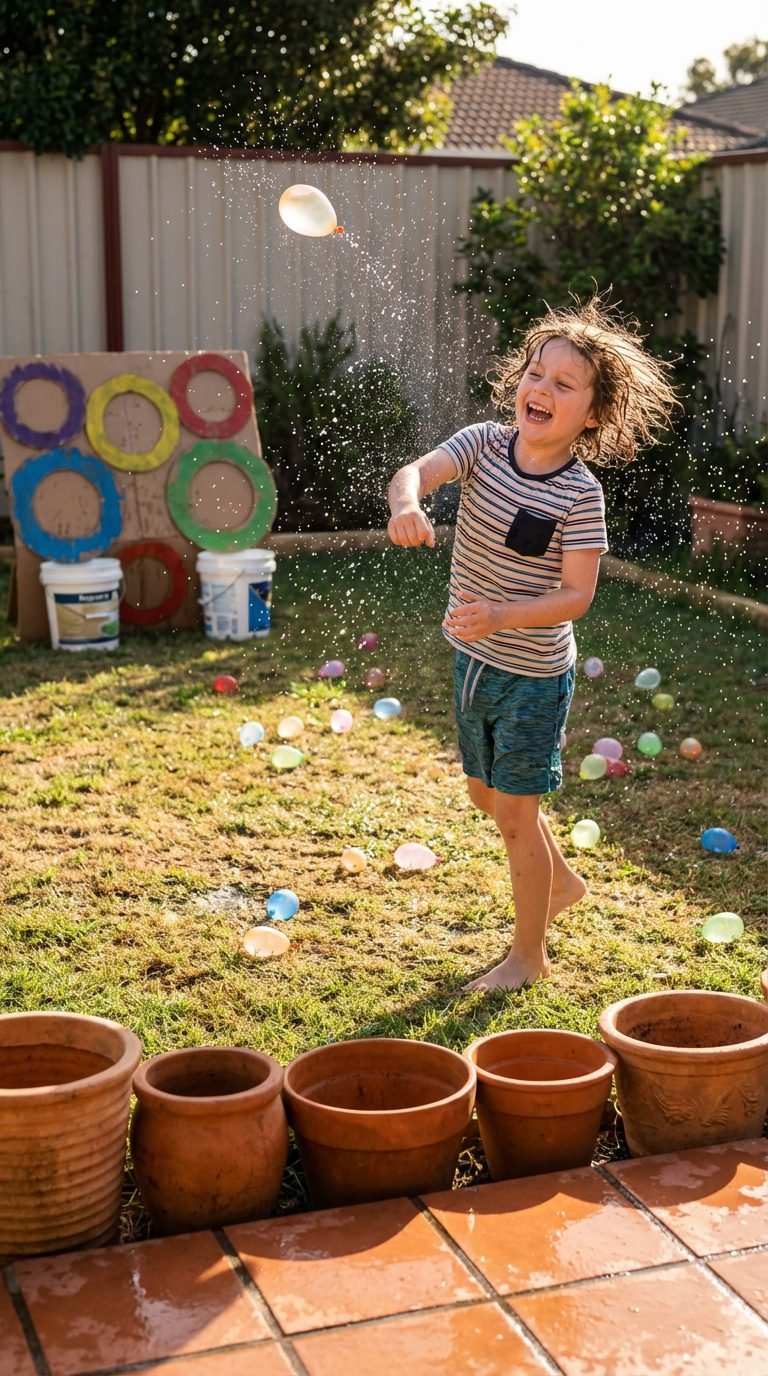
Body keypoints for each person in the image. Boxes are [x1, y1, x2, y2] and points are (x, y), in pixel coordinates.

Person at [387, 297, 679, 992]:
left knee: (516, 813)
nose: (540, 390)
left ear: (593, 415)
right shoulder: (484, 444)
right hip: (474, 659)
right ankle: (563, 881)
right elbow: (413, 474)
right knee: (484, 796)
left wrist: (501, 612)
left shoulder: (579, 495)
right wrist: (407, 505)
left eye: (563, 384)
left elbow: (577, 596)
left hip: (534, 674)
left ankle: (528, 958)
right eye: (534, 373)